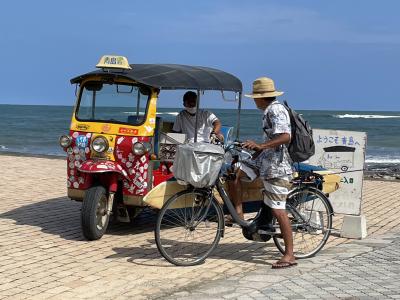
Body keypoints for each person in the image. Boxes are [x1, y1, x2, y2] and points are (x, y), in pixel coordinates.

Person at [228, 77, 296, 269]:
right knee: (235, 171)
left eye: (255, 97)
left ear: (261, 97)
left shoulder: (276, 110)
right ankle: (238, 214)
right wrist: (253, 147)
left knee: (278, 209)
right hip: (265, 160)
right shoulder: (268, 110)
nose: (254, 100)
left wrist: (262, 145)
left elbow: (285, 136)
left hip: (277, 167)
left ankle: (290, 254)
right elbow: (271, 139)